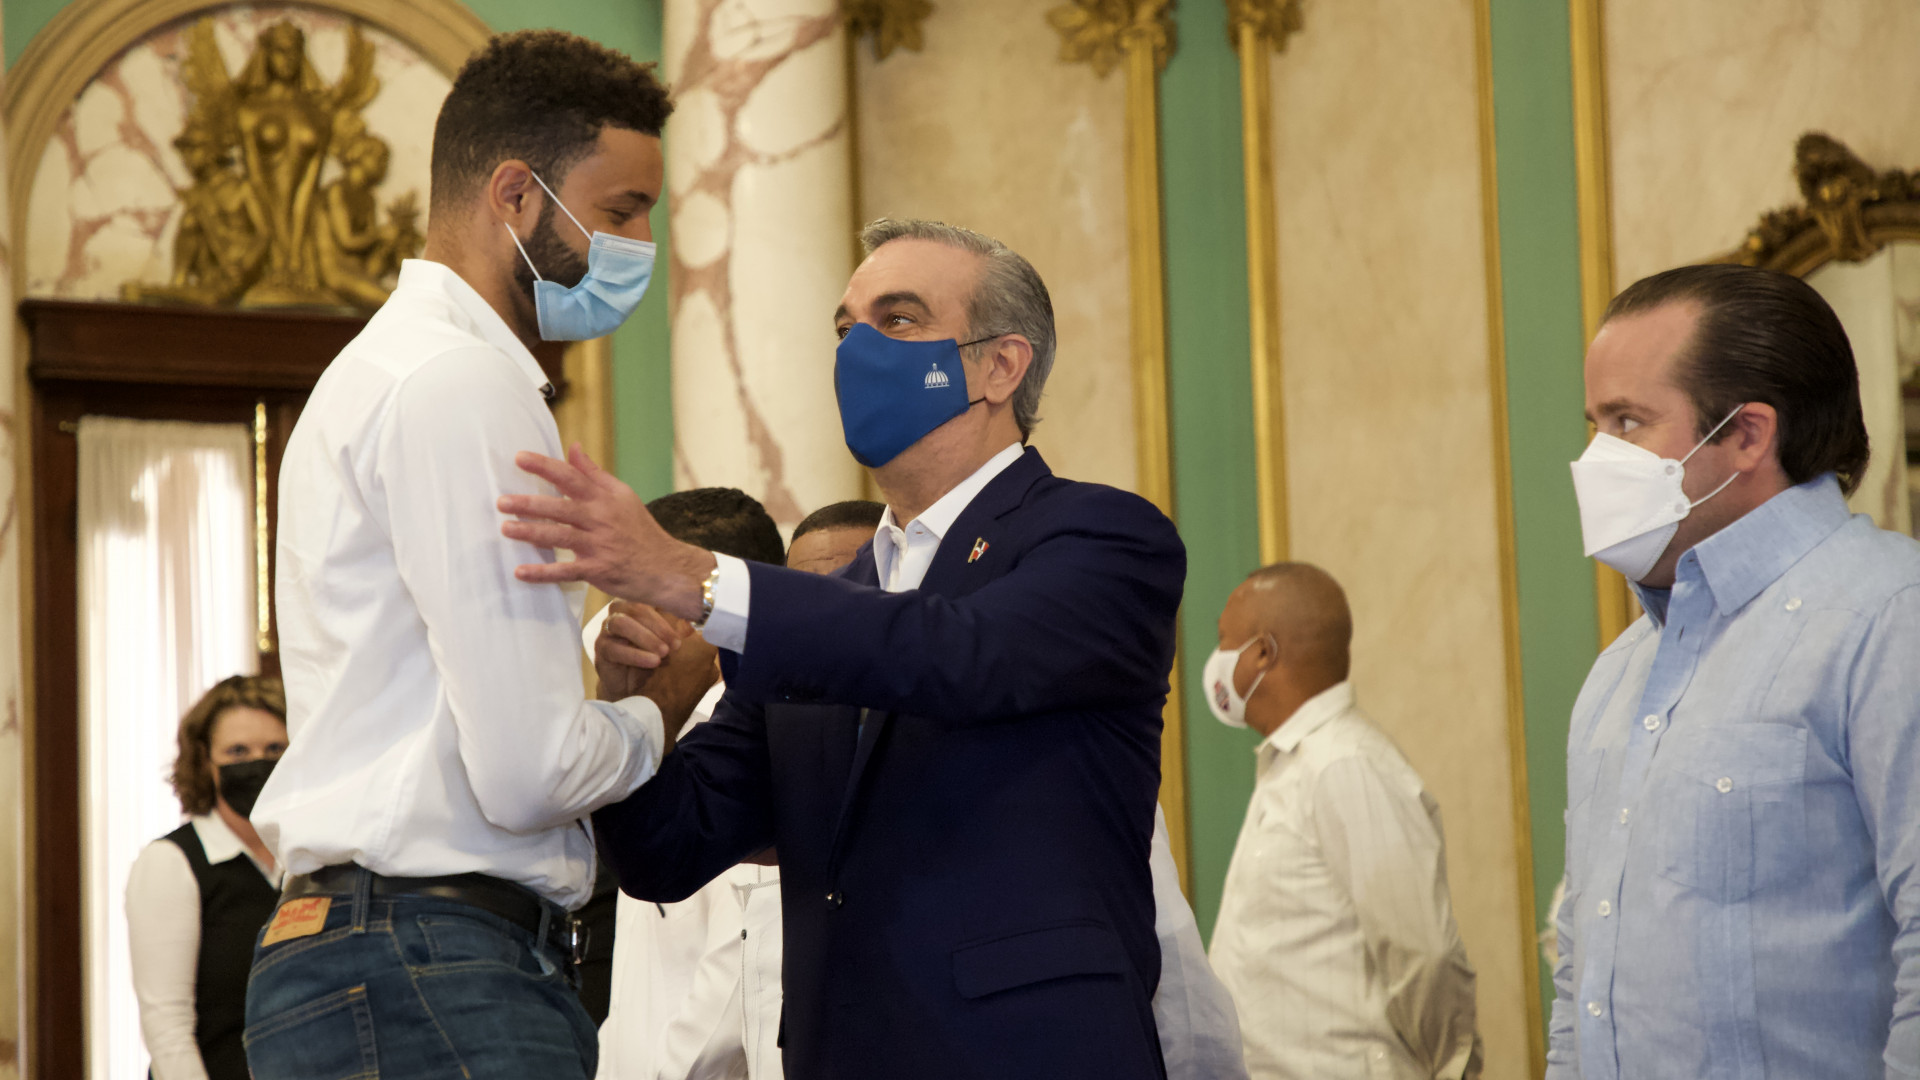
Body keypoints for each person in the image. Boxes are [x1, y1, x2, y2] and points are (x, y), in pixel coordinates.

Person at [500, 219, 1192, 1079]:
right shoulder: (822, 611)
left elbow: (960, 655)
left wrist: (694, 576)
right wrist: (637, 701)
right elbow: (669, 851)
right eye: (844, 327)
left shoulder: (1102, 537)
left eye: (897, 320)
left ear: (1000, 366)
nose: (858, 350)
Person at [245, 31, 680, 1080]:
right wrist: (661, 707)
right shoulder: (463, 381)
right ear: (517, 195)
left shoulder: (379, 369)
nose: (640, 247)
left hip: (359, 947)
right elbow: (528, 771)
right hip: (434, 957)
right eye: (623, 211)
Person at [594, 496, 1244, 1080]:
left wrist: (703, 582)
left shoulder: (1088, 557)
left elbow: (1179, 983)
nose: (820, 618)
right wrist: (639, 715)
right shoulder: (780, 693)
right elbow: (668, 849)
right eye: (807, 594)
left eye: (833, 600)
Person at [1551, 264, 1920, 1078]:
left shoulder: (1891, 617)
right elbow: (1579, 969)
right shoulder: (1617, 674)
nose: (1595, 458)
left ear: (1748, 435)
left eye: (1627, 421)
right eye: (1594, 424)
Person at [1203, 564, 1482, 1080]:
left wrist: (1447, 1070)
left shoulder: (1345, 765)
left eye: (1224, 640)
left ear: (1263, 653)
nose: (1216, 659)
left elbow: (1423, 953)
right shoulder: (1295, 766)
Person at [587, 487, 787, 1080]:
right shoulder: (655, 725)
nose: (619, 621)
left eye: (638, 597)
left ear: (695, 608)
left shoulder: (748, 743)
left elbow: (738, 971)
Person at [127, 675, 289, 1080]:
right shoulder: (172, 863)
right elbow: (168, 1030)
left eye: (274, 749)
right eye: (237, 751)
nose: (257, 764)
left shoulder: (311, 861)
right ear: (204, 762)